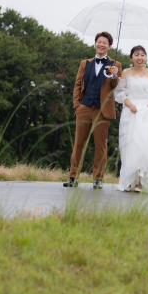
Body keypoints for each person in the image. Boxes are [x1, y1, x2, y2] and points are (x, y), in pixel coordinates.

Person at [64, 31, 120, 189]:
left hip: (103, 111)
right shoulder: (84, 63)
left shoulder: (116, 65)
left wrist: (115, 76)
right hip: (84, 107)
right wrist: (77, 105)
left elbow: (116, 87)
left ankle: (98, 179)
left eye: (104, 43)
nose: (101, 44)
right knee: (78, 144)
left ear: (109, 46)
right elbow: (77, 84)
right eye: (99, 42)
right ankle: (73, 177)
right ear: (95, 44)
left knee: (100, 145)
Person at [115, 45, 148, 194]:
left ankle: (141, 182)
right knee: (129, 147)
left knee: (144, 147)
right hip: (129, 113)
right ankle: (128, 181)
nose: (140, 58)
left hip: (146, 113)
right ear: (131, 57)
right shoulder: (126, 72)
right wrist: (130, 105)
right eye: (136, 55)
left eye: (142, 55)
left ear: (146, 57)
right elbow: (120, 93)